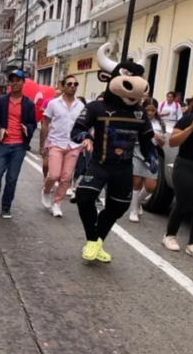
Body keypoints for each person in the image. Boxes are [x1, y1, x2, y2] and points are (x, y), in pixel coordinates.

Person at [71, 43, 155, 263]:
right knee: (83, 196)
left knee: (118, 208)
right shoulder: (96, 107)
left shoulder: (139, 113)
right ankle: (92, 240)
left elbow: (147, 140)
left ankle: (97, 241)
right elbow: (77, 131)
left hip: (124, 169)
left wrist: (152, 157)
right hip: (100, 163)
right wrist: (86, 138)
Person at [0, 70, 37, 219]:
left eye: (18, 80)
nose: (15, 83)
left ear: (23, 82)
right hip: (3, 144)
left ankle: (6, 206)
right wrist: (0, 128)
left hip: (19, 146)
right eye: (12, 80)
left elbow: (33, 123)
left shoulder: (28, 104)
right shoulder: (1, 100)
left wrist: (27, 128)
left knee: (12, 179)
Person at [39, 75, 85, 217]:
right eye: (69, 83)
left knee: (66, 178)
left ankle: (57, 204)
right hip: (56, 143)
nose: (72, 86)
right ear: (63, 86)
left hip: (74, 145)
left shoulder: (81, 106)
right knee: (54, 175)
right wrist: (42, 146)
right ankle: (46, 191)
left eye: (75, 84)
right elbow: (45, 124)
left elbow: (85, 126)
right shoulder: (53, 103)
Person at [161, 109, 193, 257]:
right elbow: (173, 141)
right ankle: (170, 235)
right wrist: (191, 128)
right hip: (185, 164)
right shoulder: (188, 119)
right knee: (184, 203)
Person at [129, 98, 165, 223]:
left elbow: (163, 143)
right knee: (136, 182)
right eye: (147, 110)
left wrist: (159, 139)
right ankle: (133, 210)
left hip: (152, 154)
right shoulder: (137, 120)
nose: (150, 113)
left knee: (151, 186)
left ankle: (137, 202)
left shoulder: (160, 124)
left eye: (153, 110)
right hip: (137, 151)